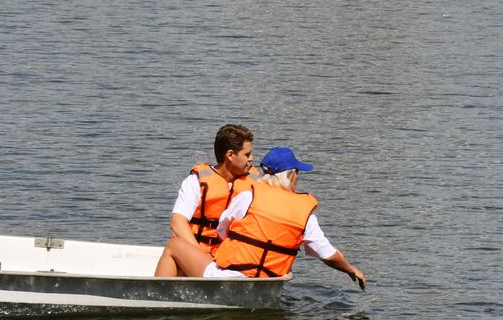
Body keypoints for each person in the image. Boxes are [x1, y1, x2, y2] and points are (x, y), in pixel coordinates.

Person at [161, 146, 366, 290]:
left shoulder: (248, 196)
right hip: (266, 281)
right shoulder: (305, 213)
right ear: (291, 175)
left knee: (175, 245)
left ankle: (158, 296)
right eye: (297, 173)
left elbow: (223, 230)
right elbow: (327, 253)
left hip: (228, 276)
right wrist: (351, 269)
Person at [153, 124, 258, 277]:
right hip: (200, 255)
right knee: (175, 246)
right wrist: (200, 256)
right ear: (230, 155)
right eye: (247, 154)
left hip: (233, 260)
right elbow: (177, 222)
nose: (252, 159)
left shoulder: (255, 184)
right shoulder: (196, 181)